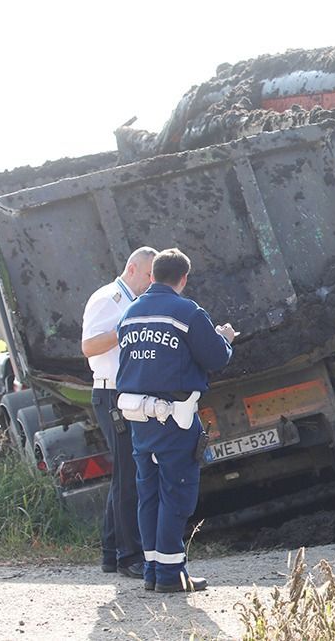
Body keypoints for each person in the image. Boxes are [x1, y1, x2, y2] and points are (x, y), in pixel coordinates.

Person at [115, 248, 236, 593]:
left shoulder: (129, 314)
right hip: (176, 420)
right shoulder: (187, 312)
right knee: (177, 494)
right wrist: (225, 339)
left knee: (148, 494)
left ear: (152, 276)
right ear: (183, 279)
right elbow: (215, 358)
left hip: (140, 419)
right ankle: (170, 575)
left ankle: (154, 570)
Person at [81, 246, 157, 578]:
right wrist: (123, 330)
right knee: (128, 477)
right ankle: (130, 556)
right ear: (132, 268)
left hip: (126, 393)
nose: (151, 281)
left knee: (124, 474)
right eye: (148, 274)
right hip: (111, 393)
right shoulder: (108, 299)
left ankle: (112, 553)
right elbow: (89, 346)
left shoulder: (131, 301)